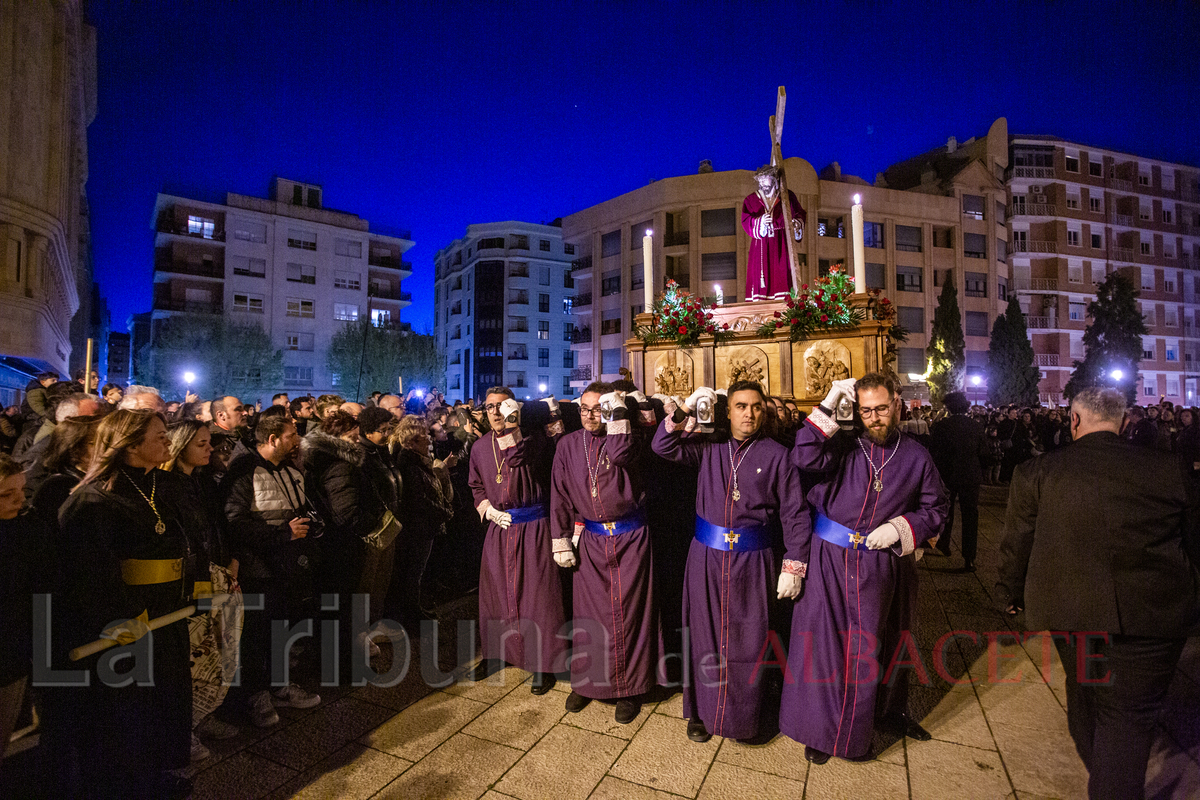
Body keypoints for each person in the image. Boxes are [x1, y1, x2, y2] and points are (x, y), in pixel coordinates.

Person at [997, 387, 1200, 800]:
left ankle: (1109, 778)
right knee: (1121, 715)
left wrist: (1009, 592)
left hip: (1076, 617)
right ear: (1125, 423)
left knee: (1097, 699)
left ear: (1073, 420)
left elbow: (1018, 542)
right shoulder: (1169, 469)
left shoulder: (1038, 473)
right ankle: (1112, 776)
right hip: (1155, 616)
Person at [781, 372, 948, 764]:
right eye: (866, 411)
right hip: (830, 561)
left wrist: (901, 527)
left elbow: (936, 508)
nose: (874, 418)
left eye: (881, 409)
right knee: (825, 648)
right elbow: (802, 455)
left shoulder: (916, 455)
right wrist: (826, 406)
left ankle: (885, 715)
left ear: (897, 403)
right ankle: (822, 731)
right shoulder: (842, 444)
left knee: (881, 643)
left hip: (882, 562)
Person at [651, 381, 809, 742]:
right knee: (704, 637)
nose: (748, 414)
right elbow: (661, 445)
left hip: (754, 561)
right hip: (706, 557)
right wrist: (685, 410)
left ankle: (745, 718)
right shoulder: (709, 447)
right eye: (740, 406)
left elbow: (795, 514)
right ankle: (700, 712)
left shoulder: (778, 454)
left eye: (755, 407)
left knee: (749, 641)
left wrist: (794, 564)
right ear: (728, 411)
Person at [54, 410, 196, 798]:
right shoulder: (92, 499)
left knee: (163, 703)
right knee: (126, 713)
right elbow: (88, 573)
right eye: (160, 435)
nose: (169, 441)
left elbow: (188, 540)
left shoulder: (164, 485)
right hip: (127, 627)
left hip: (167, 617)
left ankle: (154, 775)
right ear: (131, 444)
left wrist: (195, 589)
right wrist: (126, 616)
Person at [551, 383, 660, 722]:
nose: (589, 415)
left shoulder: (629, 440)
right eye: (584, 408)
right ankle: (587, 683)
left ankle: (629, 688)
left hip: (630, 539)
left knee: (628, 617)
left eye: (598, 409)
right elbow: (560, 496)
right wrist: (560, 539)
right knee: (589, 616)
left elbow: (626, 452)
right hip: (593, 542)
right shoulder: (569, 445)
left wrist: (618, 418)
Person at [221, 413, 321, 728]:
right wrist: (283, 535)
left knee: (282, 629)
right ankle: (255, 696)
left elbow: (299, 508)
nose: (297, 440)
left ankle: (279, 685)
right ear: (273, 438)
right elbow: (234, 520)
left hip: (288, 567)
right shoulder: (244, 470)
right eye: (291, 435)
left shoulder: (290, 471)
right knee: (256, 635)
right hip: (257, 569)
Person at [466, 388, 566, 693]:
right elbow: (476, 485)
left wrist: (512, 427)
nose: (495, 412)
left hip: (534, 526)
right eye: (489, 407)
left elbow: (517, 457)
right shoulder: (480, 447)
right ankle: (496, 653)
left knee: (538, 597)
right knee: (496, 594)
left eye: (502, 406)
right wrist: (488, 510)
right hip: (500, 529)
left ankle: (543, 662)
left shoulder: (532, 441)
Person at [165, 420, 242, 758]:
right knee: (197, 657)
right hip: (194, 583)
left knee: (218, 651)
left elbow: (215, 525)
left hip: (218, 573)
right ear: (180, 445)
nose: (211, 450)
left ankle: (202, 715)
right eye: (202, 444)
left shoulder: (202, 481)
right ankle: (184, 727)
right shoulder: (167, 487)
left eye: (210, 443)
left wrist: (229, 560)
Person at [301, 410, 384, 668]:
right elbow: (346, 512)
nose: (357, 441)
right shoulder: (339, 465)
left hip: (333, 546)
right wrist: (372, 518)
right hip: (341, 547)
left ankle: (335, 661)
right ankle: (342, 665)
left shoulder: (324, 460)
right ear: (336, 438)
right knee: (340, 609)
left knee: (335, 608)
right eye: (352, 437)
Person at [0, 454, 53, 770]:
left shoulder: (27, 528)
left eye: (21, 489)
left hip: (11, 654)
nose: (20, 499)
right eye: (7, 494)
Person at [388, 415, 454, 632]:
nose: (430, 440)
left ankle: (415, 610)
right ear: (411, 442)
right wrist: (444, 512)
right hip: (417, 528)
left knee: (416, 572)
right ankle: (410, 618)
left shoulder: (417, 461)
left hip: (424, 526)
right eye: (424, 436)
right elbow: (418, 499)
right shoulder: (408, 465)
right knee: (412, 574)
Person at [928, 391, 987, 571]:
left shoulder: (942, 426)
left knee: (947, 511)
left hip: (948, 474)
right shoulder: (976, 426)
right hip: (970, 476)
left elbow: (933, 451)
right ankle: (969, 558)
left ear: (949, 407)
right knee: (970, 516)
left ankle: (944, 542)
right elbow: (984, 453)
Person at [741, 164, 805, 302]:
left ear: (775, 179)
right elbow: (745, 220)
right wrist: (760, 222)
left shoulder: (787, 196)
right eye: (761, 180)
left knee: (783, 275)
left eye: (766, 179)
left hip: (782, 243)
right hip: (761, 246)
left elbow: (800, 213)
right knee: (760, 277)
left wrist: (796, 224)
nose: (763, 183)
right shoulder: (751, 200)